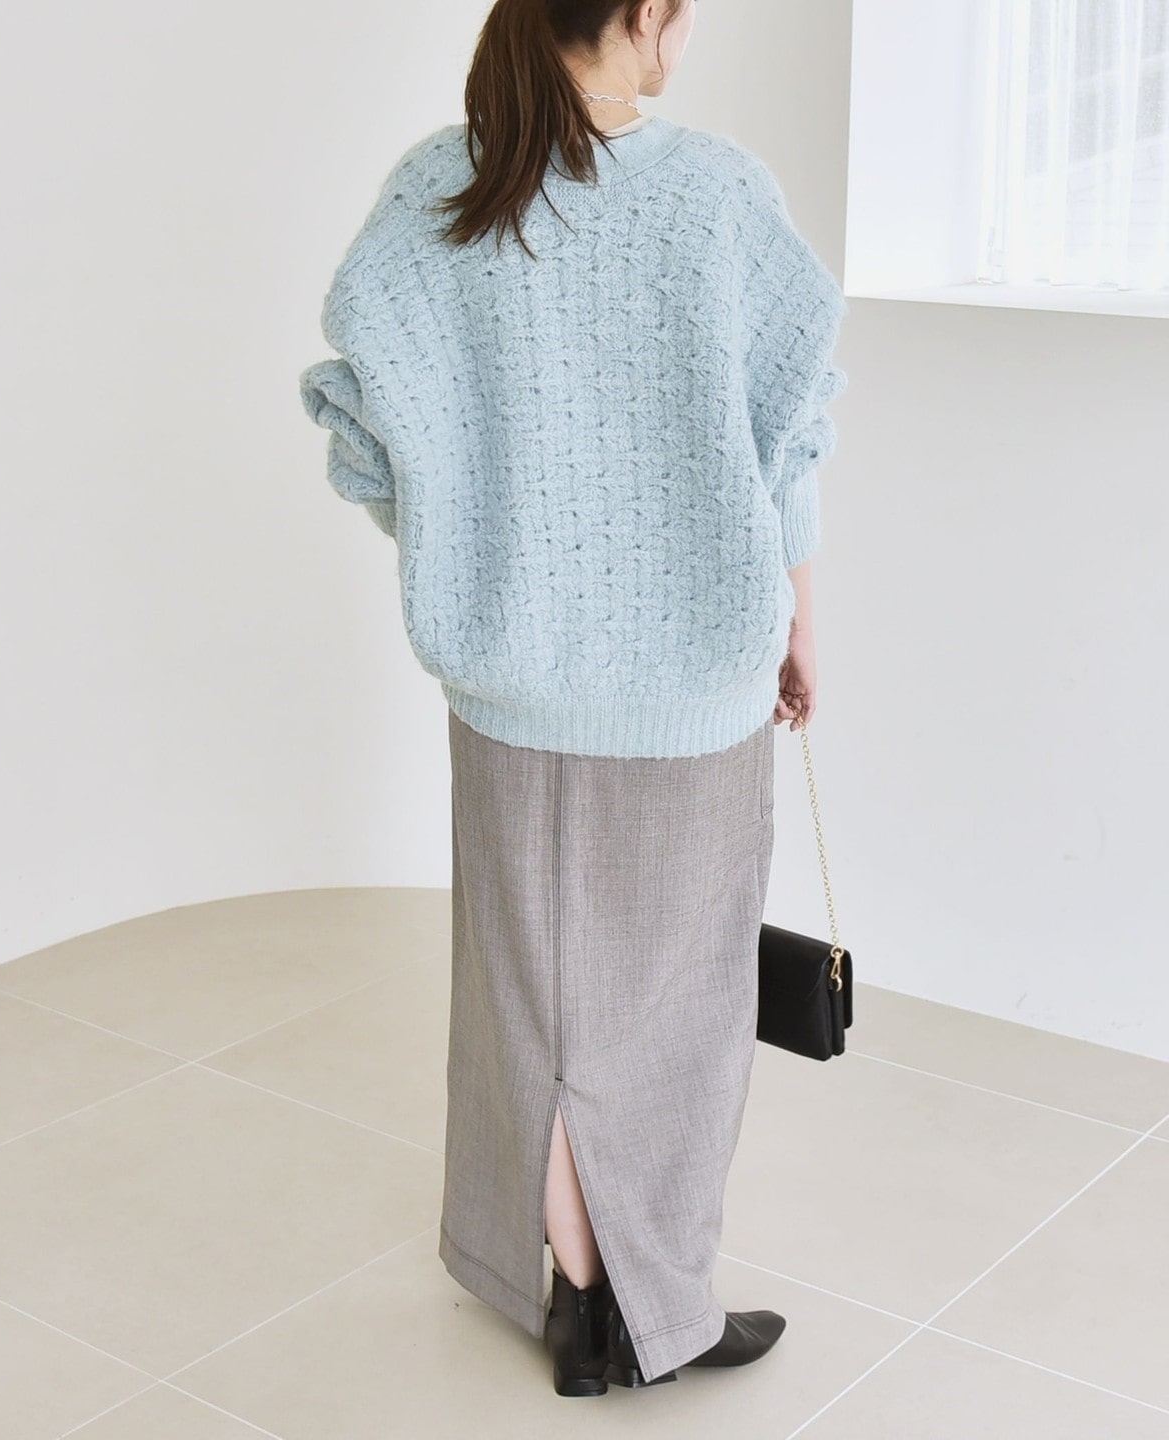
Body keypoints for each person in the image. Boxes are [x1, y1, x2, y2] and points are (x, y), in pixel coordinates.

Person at [299, 0, 847, 1399]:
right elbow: (790, 431)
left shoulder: (444, 187)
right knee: (681, 1003)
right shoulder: (718, 196)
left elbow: (367, 428)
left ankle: (572, 1292)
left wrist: (471, 547)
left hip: (509, 683)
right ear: (645, 14)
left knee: (524, 990)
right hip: (695, 682)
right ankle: (649, 1305)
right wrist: (796, 617)